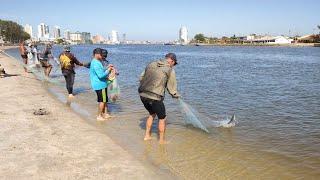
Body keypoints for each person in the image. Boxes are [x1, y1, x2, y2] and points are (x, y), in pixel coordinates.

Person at [139, 53, 180, 144]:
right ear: (172, 61)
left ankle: (147, 136)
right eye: (174, 64)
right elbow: (172, 87)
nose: (173, 66)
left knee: (152, 114)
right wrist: (175, 95)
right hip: (155, 97)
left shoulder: (151, 64)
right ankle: (161, 141)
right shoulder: (170, 69)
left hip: (142, 94)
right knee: (162, 118)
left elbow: (141, 77)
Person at [89, 48, 114, 121]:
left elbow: (101, 70)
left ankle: (105, 114)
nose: (102, 55)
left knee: (105, 100)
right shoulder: (96, 63)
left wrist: (107, 67)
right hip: (100, 85)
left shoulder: (97, 61)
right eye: (101, 54)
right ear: (96, 54)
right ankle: (99, 116)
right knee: (102, 101)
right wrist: (108, 71)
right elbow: (101, 75)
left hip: (102, 84)